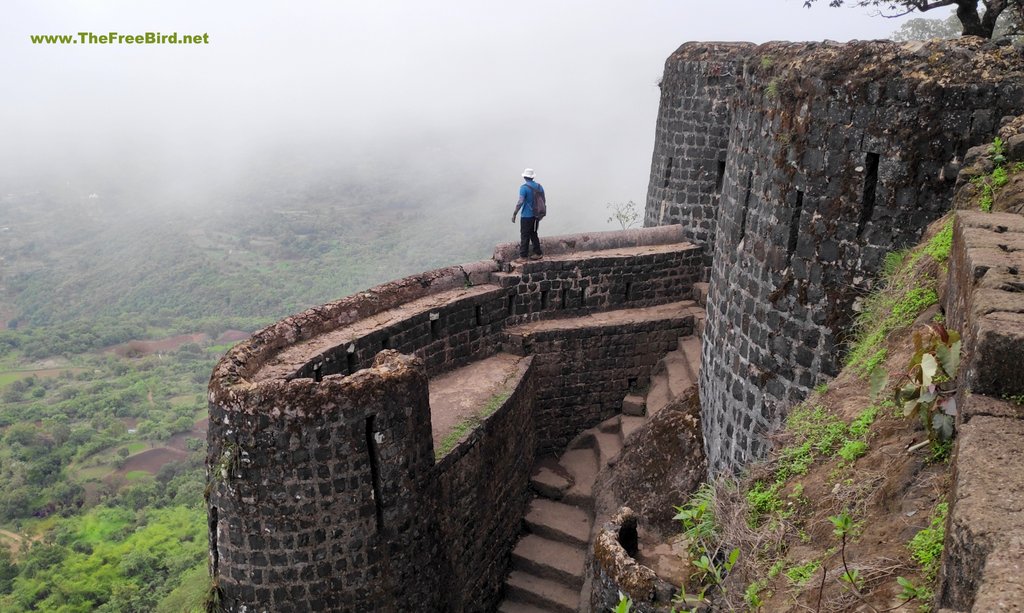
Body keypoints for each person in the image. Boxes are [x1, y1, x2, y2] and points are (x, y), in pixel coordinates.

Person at [512, 168, 544, 260]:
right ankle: (538, 253)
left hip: (526, 216)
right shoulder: (539, 186)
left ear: (525, 177)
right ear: (532, 177)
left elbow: (520, 202)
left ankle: (523, 256)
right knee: (533, 233)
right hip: (536, 215)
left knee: (525, 235)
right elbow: (542, 199)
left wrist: (515, 213)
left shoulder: (524, 188)